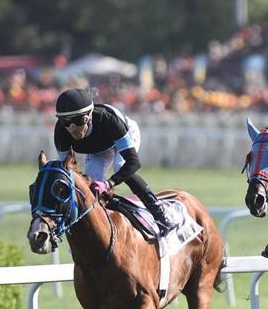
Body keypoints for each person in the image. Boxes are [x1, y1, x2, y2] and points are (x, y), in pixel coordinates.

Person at [53, 88, 178, 234]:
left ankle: (159, 213)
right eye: (65, 122)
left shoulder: (108, 120)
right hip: (98, 150)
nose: (72, 128)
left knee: (120, 166)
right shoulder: (61, 132)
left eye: (78, 120)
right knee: (91, 185)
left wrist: (108, 184)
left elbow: (133, 162)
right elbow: (68, 171)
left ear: (90, 115)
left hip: (123, 135)